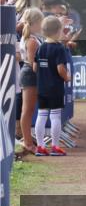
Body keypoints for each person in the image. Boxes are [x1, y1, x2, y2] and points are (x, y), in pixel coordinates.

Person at [33, 16, 71, 156]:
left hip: (42, 87)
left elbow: (35, 67)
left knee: (41, 115)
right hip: (55, 88)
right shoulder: (59, 48)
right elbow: (61, 69)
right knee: (55, 116)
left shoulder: (40, 47)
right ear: (58, 31)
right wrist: (67, 77)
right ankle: (55, 146)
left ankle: (40, 146)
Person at [17, 9, 44, 155]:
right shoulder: (32, 40)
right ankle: (27, 142)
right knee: (28, 110)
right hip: (30, 74)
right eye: (41, 21)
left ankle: (28, 140)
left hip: (29, 73)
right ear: (35, 23)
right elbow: (34, 64)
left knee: (29, 109)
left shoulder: (31, 38)